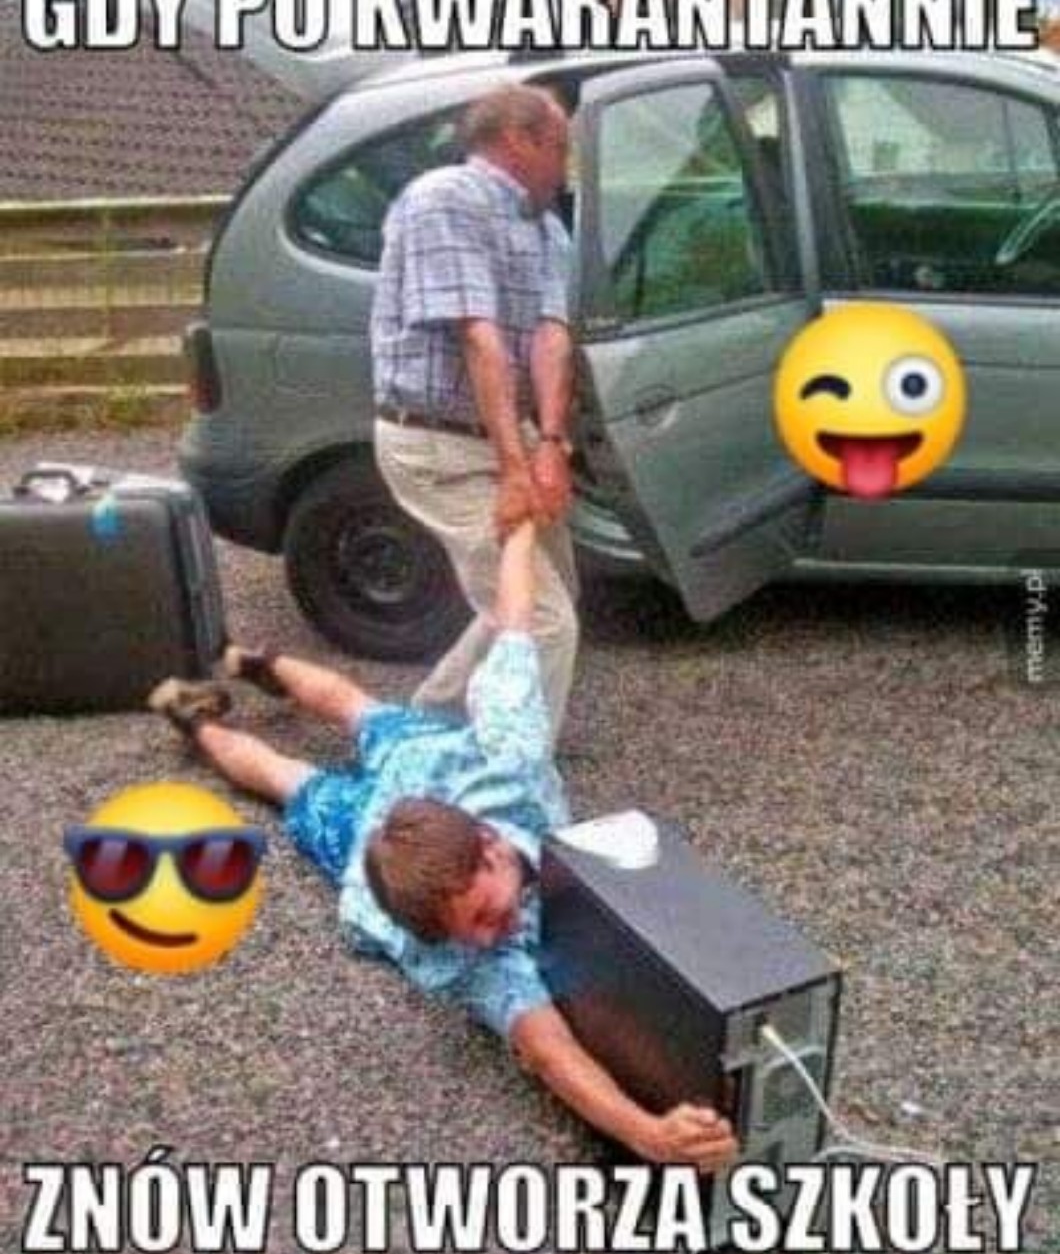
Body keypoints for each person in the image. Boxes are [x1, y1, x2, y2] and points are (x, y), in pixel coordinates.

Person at [148, 523, 736, 1172]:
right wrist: (648, 1135)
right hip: (372, 828)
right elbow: (549, 1053)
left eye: (486, 913)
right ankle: (194, 718)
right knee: (290, 779)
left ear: (491, 846)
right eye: (472, 930)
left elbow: (515, 624)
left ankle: (252, 662)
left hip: (426, 765)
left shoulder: (510, 761)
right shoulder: (458, 948)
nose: (488, 937)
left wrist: (522, 531)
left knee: (355, 709)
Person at [371, 82, 579, 743]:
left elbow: (550, 337)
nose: (566, 166)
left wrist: (550, 445)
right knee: (541, 621)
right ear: (518, 140)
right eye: (561, 148)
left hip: (504, 434)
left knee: (542, 592)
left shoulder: (546, 225)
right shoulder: (444, 199)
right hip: (438, 444)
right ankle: (509, 779)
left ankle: (431, 724)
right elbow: (478, 338)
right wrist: (516, 471)